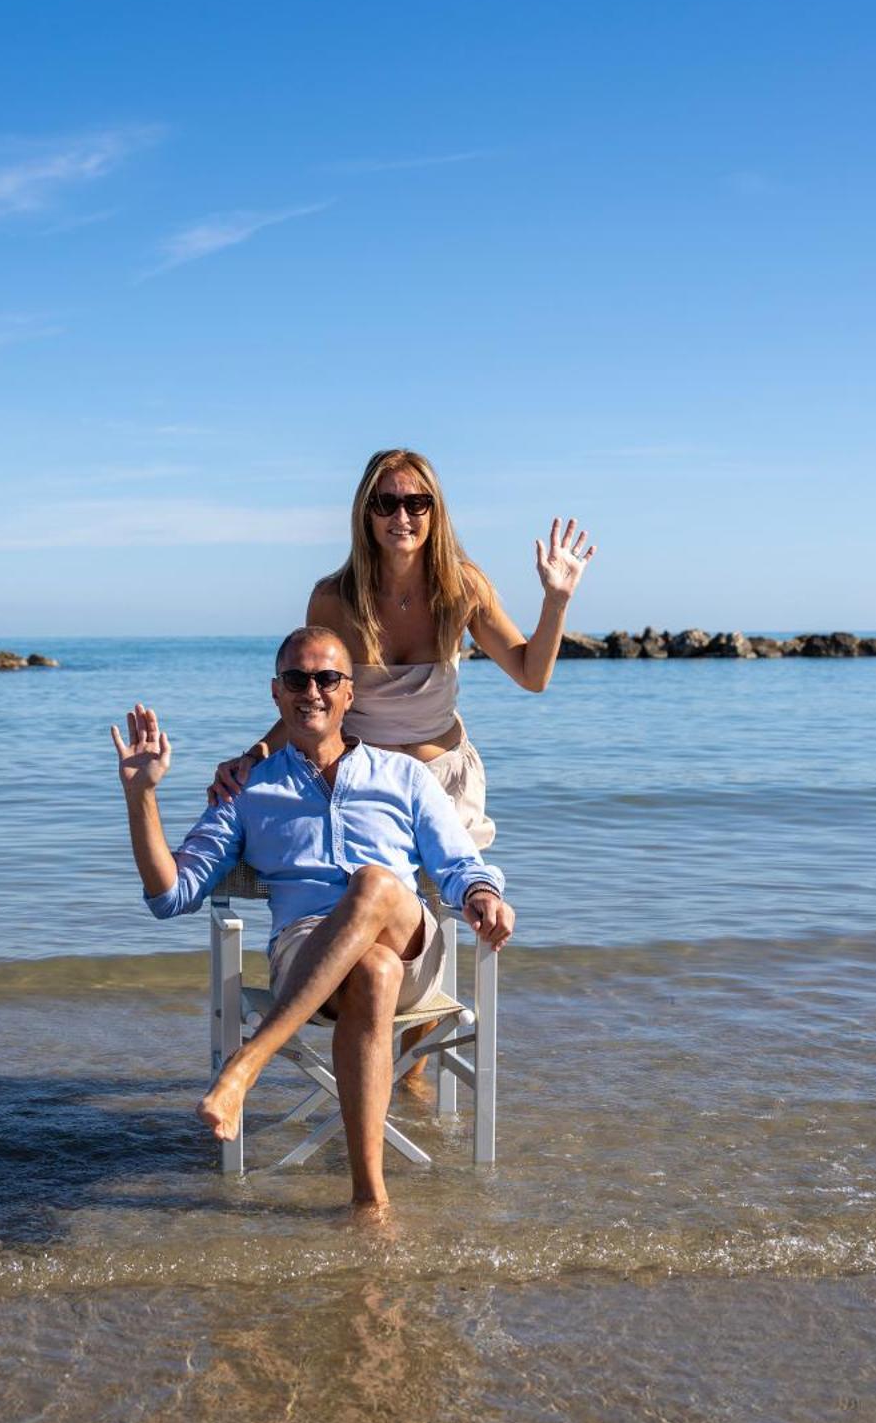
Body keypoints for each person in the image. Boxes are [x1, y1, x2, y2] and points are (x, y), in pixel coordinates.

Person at [207, 447, 593, 1081]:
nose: (402, 517)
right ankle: (381, 1082)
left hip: (443, 784)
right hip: (359, 785)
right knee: (367, 917)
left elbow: (532, 674)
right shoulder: (335, 598)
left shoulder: (462, 587)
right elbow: (315, 698)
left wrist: (556, 601)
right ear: (366, 513)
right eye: (386, 503)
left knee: (431, 923)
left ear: (435, 512)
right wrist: (253, 757)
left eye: (417, 503)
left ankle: (399, 1079)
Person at [112, 625, 514, 1211]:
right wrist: (141, 796)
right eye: (298, 679)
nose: (313, 691)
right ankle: (369, 1199)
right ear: (276, 693)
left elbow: (460, 864)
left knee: (375, 883)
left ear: (350, 694)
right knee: (370, 970)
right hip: (307, 955)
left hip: (413, 951)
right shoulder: (249, 789)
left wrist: (481, 894)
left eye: (328, 679)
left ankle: (247, 1065)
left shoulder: (404, 776)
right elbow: (170, 894)